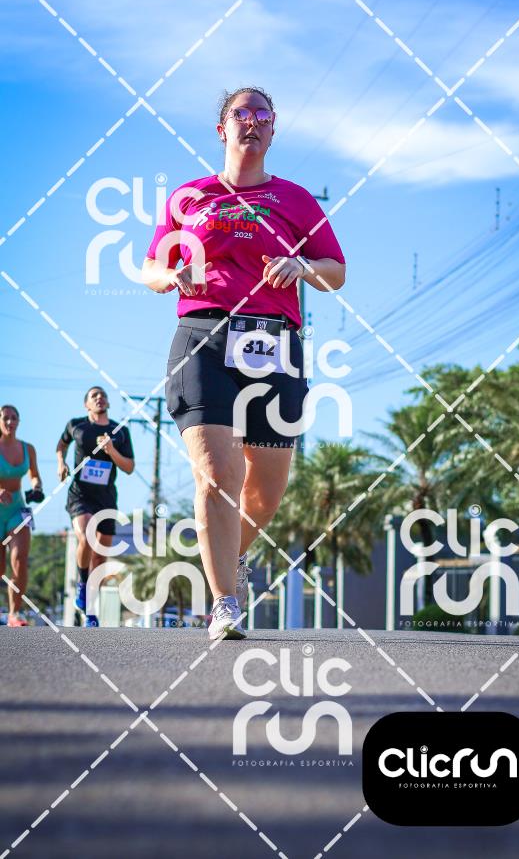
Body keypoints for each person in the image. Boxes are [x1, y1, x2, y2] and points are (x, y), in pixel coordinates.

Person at [142, 86, 346, 640]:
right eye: (241, 114)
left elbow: (336, 272)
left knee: (265, 491)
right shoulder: (189, 197)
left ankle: (230, 557)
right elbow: (149, 267)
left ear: (272, 131)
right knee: (218, 474)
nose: (252, 122)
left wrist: (302, 267)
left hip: (274, 343)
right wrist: (171, 275)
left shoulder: (296, 200)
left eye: (262, 116)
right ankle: (224, 603)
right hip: (203, 337)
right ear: (222, 129)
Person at [56, 387, 135, 627]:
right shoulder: (76, 425)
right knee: (86, 535)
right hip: (80, 495)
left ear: (108, 403)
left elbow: (129, 467)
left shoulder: (120, 431)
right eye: (94, 396)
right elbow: (61, 445)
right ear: (86, 405)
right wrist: (61, 463)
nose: (99, 398)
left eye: (102, 395)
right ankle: (82, 584)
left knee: (100, 557)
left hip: (106, 498)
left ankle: (89, 609)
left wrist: (111, 450)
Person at [0, 405, 44, 626]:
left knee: (20, 559)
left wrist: (36, 486)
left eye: (14, 418)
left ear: (19, 421)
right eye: (5, 418)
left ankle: (14, 614)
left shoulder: (28, 448)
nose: (10, 422)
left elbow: (34, 474)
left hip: (18, 509)